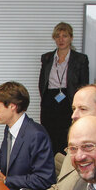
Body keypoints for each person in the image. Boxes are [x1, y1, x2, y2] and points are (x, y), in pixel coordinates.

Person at [38, 22, 90, 154]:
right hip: (50, 99)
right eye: (58, 36)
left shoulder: (80, 59)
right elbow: (42, 82)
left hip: (69, 98)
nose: (61, 40)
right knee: (48, 136)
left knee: (67, 135)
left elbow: (84, 84)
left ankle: (65, 166)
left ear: (71, 38)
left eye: (65, 36)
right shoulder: (47, 58)